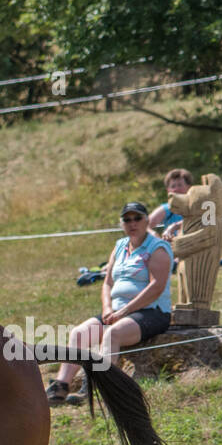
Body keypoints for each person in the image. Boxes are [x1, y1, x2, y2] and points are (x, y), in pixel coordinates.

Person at [46, 201, 173, 407]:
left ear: (147, 220)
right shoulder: (120, 245)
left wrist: (124, 311)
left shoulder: (158, 248)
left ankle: (96, 387)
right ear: (121, 223)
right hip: (117, 311)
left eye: (137, 218)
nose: (132, 223)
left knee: (112, 334)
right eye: (127, 219)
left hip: (152, 312)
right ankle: (60, 387)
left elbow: (156, 287)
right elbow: (107, 282)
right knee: (79, 333)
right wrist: (107, 308)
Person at [148, 168, 193, 242]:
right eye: (173, 186)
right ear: (168, 190)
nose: (176, 189)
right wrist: (156, 237)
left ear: (189, 187)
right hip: (174, 250)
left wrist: (174, 226)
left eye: (180, 185)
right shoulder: (167, 208)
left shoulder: (198, 205)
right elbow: (144, 225)